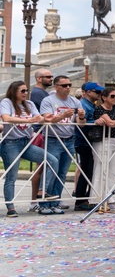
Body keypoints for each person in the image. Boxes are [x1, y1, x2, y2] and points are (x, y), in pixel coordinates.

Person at [1, 80, 59, 217]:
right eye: (22, 91)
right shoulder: (6, 102)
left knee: (52, 160)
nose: (26, 93)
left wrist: (49, 118)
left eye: (27, 90)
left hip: (26, 142)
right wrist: (29, 121)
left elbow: (39, 118)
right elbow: (6, 118)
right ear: (14, 91)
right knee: (12, 176)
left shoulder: (30, 104)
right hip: (10, 143)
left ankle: (43, 191)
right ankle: (10, 207)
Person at [38, 76, 84, 214]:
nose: (68, 87)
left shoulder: (75, 101)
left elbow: (81, 124)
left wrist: (81, 116)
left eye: (69, 85)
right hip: (53, 139)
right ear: (56, 87)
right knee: (51, 170)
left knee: (62, 173)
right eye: (64, 85)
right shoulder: (48, 100)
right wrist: (62, 116)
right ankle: (44, 204)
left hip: (69, 139)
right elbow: (46, 119)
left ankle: (55, 202)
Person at [73, 82, 104, 212]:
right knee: (86, 171)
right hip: (82, 141)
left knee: (89, 170)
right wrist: (95, 122)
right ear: (88, 92)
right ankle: (80, 200)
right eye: (97, 92)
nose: (99, 94)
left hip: (90, 141)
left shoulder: (91, 105)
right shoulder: (83, 105)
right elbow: (80, 122)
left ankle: (85, 197)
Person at [28, 68, 54, 207]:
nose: (51, 78)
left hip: (43, 131)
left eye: (51, 76)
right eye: (48, 76)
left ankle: (38, 198)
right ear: (39, 78)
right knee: (41, 166)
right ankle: (34, 199)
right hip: (40, 132)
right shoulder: (38, 93)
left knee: (44, 165)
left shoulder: (43, 93)